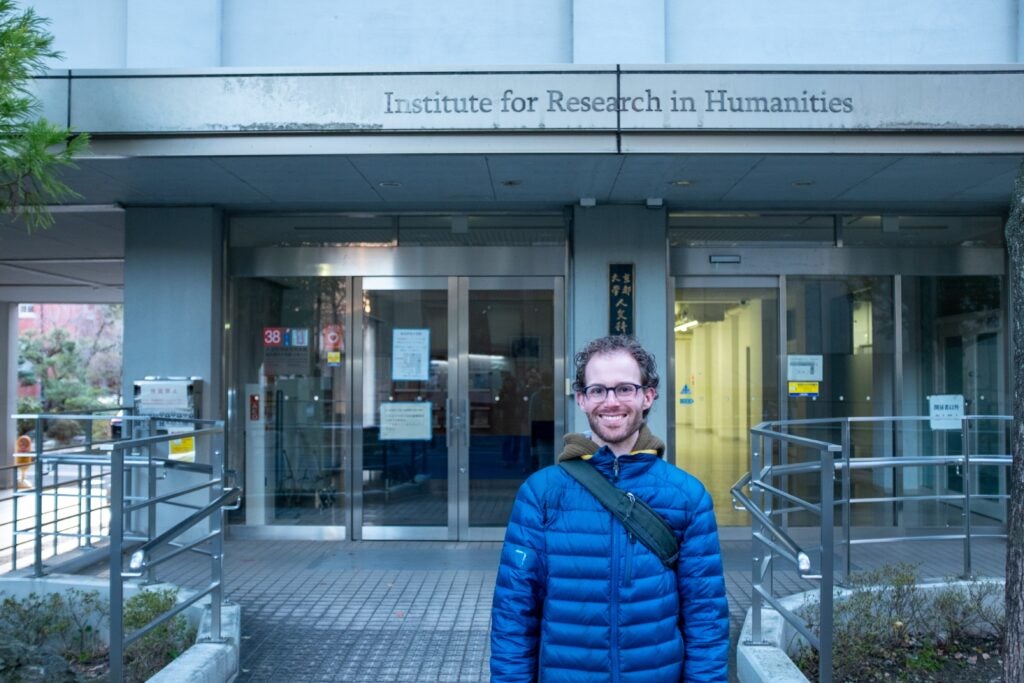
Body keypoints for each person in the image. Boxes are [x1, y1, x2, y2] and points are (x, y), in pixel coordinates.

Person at [490, 335, 729, 682]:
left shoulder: (686, 496)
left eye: (625, 389)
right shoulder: (541, 494)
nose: (611, 402)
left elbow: (705, 616)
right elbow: (514, 613)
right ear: (583, 399)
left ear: (648, 396)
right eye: (598, 390)